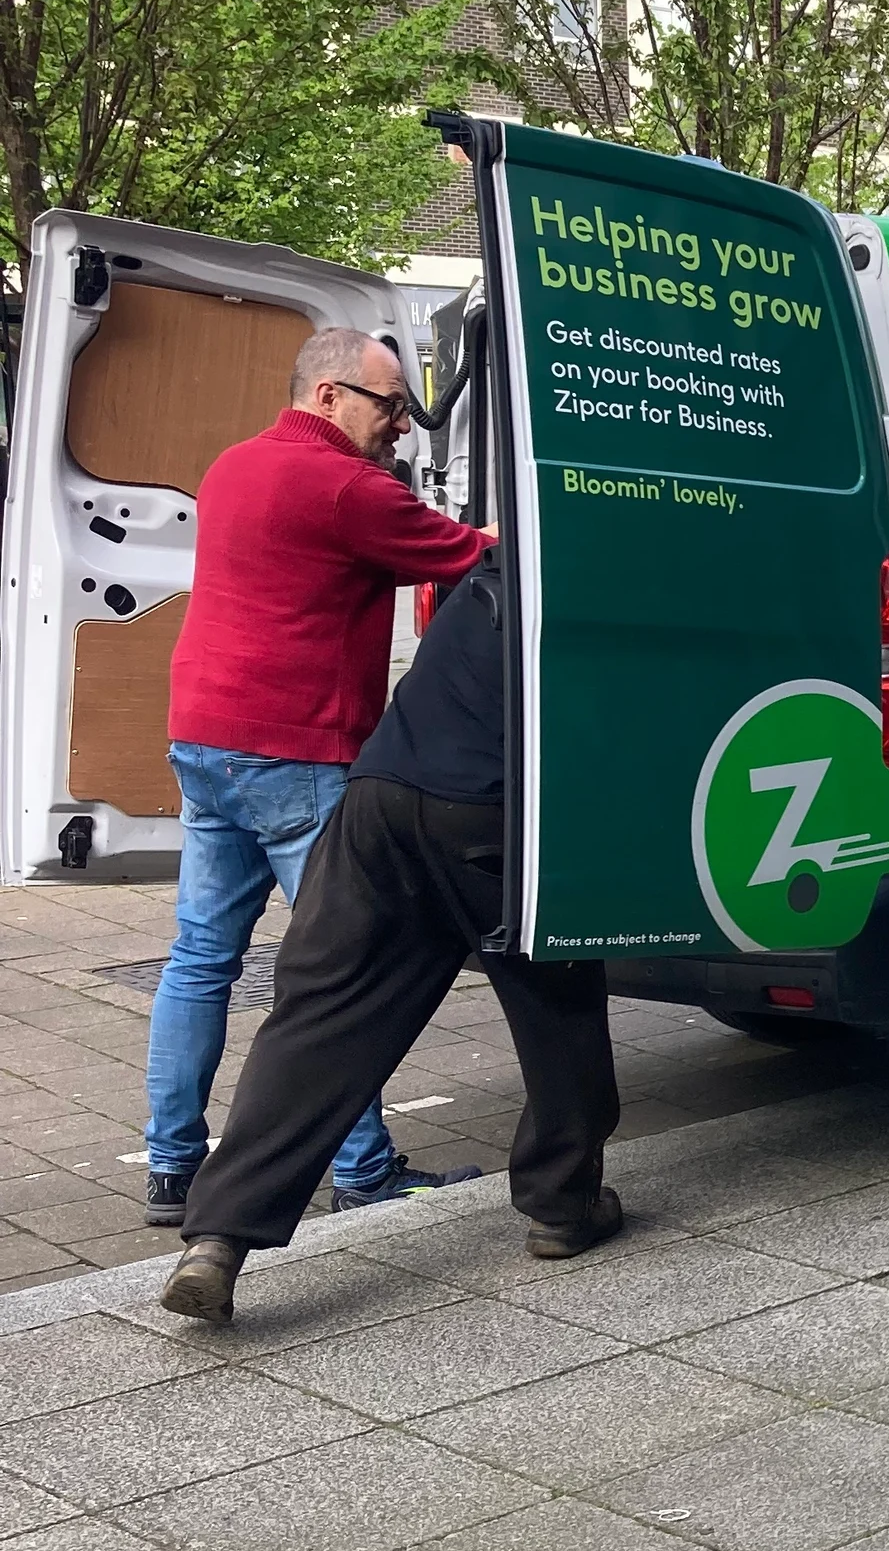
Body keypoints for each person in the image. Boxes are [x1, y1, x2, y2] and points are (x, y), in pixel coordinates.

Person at [161, 551, 621, 1322]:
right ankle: (563, 1203)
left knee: (320, 1021)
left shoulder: (492, 577)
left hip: (378, 801)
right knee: (557, 1001)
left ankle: (216, 1239)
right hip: (488, 816)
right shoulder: (604, 584)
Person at [145, 324, 495, 1227]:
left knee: (198, 959)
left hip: (202, 735)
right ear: (330, 395)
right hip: (295, 750)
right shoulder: (346, 486)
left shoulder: (231, 466)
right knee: (343, 967)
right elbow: (478, 553)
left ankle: (171, 1162)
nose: (404, 429)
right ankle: (364, 1168)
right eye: (391, 407)